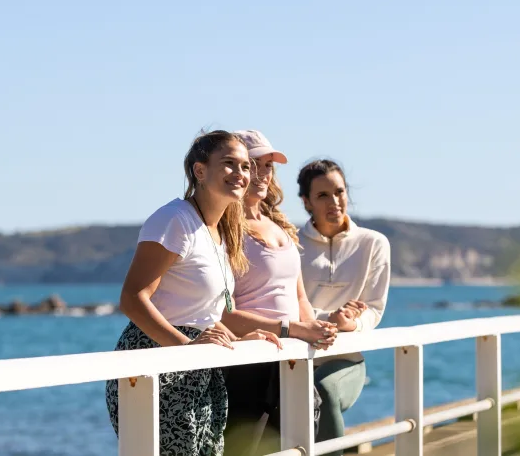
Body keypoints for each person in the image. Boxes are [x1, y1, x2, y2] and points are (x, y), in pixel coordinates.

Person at [105, 130, 281, 456]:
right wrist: (186, 348)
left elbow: (201, 311)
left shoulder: (218, 230)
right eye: (229, 164)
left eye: (245, 166)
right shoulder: (175, 220)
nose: (241, 174)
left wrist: (239, 339)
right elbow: (132, 299)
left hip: (200, 366)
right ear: (200, 171)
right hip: (157, 365)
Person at [220, 130, 337, 456]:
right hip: (248, 363)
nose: (262, 174)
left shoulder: (280, 226)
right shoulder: (223, 228)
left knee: (295, 448)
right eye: (253, 164)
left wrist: (315, 330)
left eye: (268, 166)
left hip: (290, 358)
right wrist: (296, 330)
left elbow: (299, 297)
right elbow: (222, 313)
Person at [296, 159, 391, 455]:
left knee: (322, 390)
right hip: (295, 359)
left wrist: (352, 324)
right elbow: (286, 307)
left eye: (339, 192)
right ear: (306, 202)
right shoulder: (290, 243)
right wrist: (330, 318)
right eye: (323, 195)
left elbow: (374, 309)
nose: (334, 202)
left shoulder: (373, 243)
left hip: (346, 361)